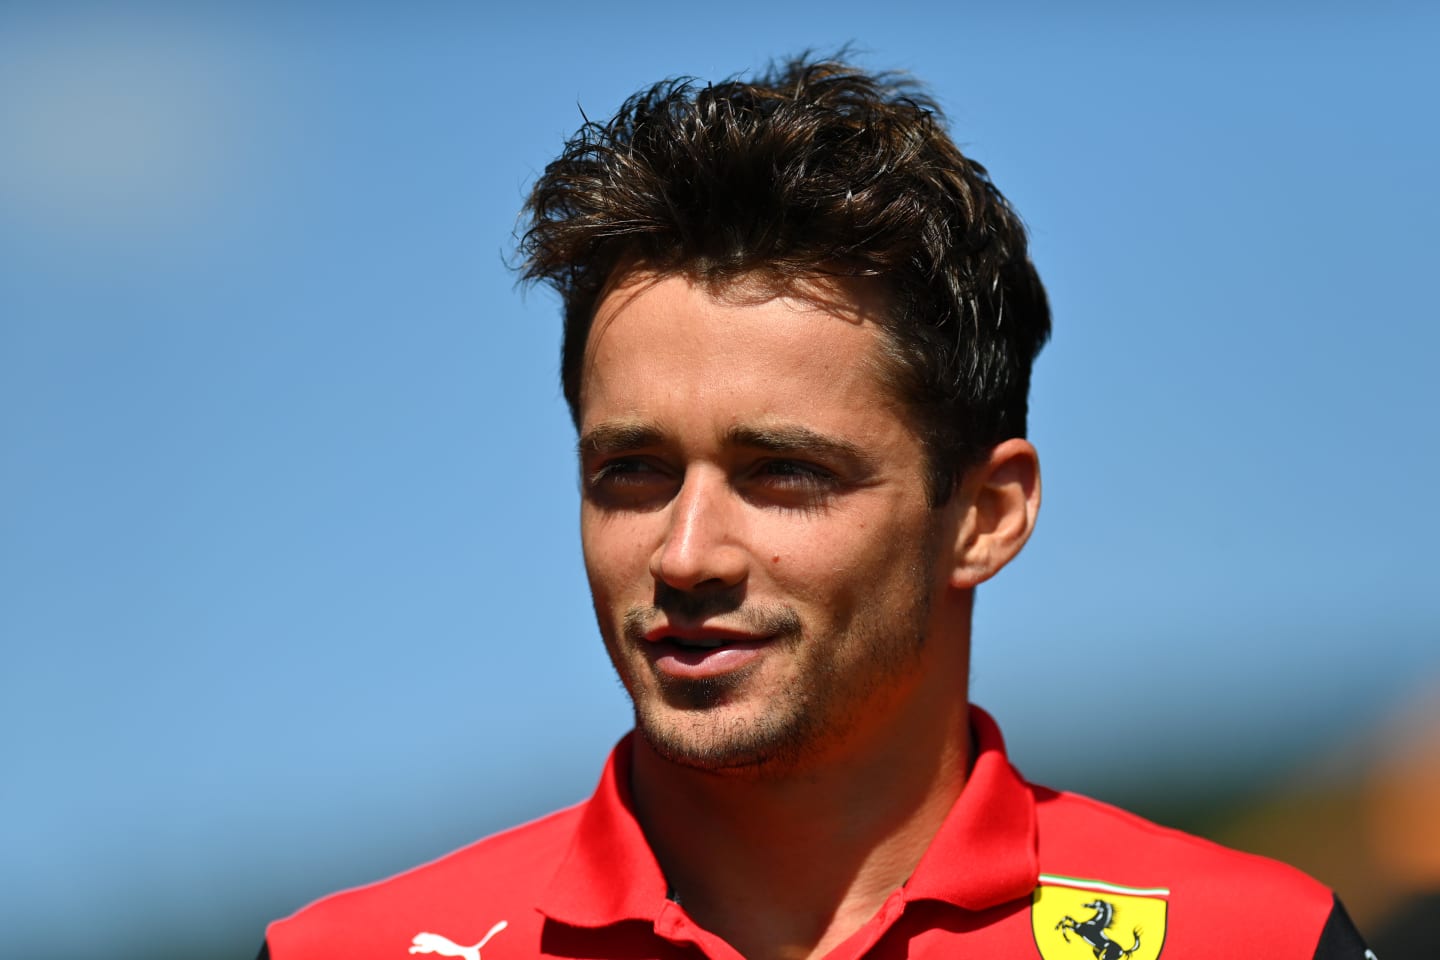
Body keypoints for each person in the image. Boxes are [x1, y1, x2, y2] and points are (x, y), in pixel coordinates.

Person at [259, 56, 1374, 960]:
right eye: (633, 474)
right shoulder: (350, 952)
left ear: (987, 513)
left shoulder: (1255, 942)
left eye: (783, 475)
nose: (686, 553)